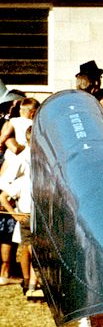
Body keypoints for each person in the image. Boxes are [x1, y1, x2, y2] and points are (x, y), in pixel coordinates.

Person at [0, 127, 40, 298]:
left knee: (34, 248)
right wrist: (13, 205)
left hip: (38, 209)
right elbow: (5, 184)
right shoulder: (22, 158)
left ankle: (33, 281)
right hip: (25, 208)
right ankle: (28, 281)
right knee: (28, 248)